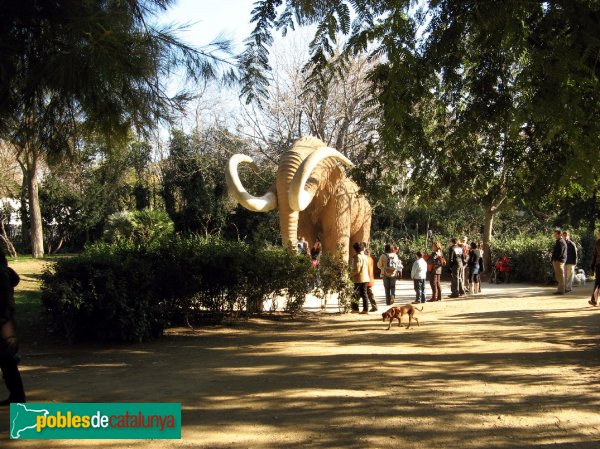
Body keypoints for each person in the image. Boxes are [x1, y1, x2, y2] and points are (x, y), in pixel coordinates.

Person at [0, 248, 26, 405]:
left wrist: (8, 332)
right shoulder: (5, 273)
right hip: (5, 323)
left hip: (3, 324)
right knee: (7, 362)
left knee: (8, 362)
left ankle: (17, 397)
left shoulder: (1, 276)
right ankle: (16, 396)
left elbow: (3, 306)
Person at [351, 242, 370, 314]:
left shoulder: (357, 257)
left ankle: (355, 309)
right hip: (365, 278)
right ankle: (366, 309)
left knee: (355, 294)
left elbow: (357, 269)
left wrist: (350, 275)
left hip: (358, 278)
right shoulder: (365, 256)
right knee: (364, 294)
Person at [551, 229, 567, 295]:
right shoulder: (559, 241)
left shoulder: (561, 242)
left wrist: (555, 259)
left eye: (556, 234)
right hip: (558, 261)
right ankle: (560, 290)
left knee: (560, 276)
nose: (554, 235)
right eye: (554, 234)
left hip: (559, 261)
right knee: (559, 276)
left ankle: (561, 290)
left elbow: (560, 252)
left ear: (560, 234)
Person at [363, 243, 378, 312]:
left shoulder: (365, 259)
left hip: (365, 278)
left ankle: (355, 307)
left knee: (360, 293)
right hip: (370, 279)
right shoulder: (371, 259)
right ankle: (374, 306)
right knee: (370, 294)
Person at [588, 229, 600, 306]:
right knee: (597, 282)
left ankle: (593, 300)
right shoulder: (597, 242)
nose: (598, 235)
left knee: (597, 282)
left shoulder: (597, 242)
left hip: (598, 264)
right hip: (598, 264)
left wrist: (592, 266)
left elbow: (594, 256)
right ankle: (593, 299)